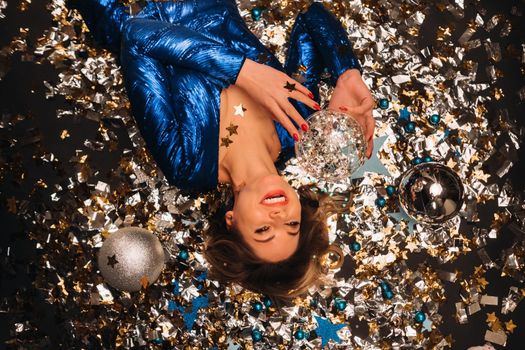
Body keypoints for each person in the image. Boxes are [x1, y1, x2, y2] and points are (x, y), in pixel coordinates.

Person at [67, 0, 375, 302]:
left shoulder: (188, 164)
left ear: (232, 221)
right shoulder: (297, 125)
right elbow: (311, 18)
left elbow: (136, 35)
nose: (278, 215)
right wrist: (346, 73)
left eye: (263, 229)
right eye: (291, 225)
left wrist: (242, 71)